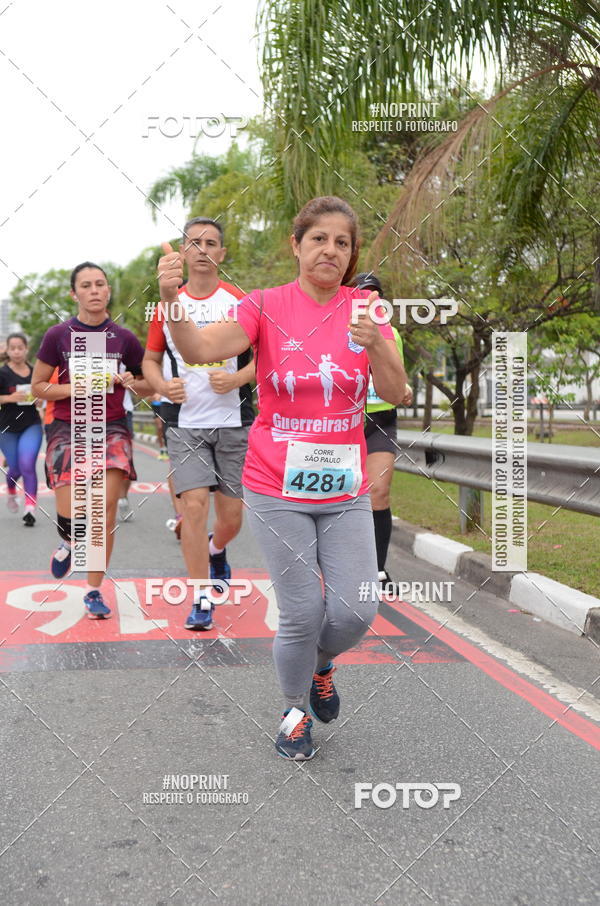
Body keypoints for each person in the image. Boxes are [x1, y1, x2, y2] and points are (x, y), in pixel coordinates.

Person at [157, 196, 407, 759]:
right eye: (319, 239)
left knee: (356, 608)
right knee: (302, 611)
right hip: (275, 482)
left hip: (344, 487)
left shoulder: (366, 309)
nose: (331, 251)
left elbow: (396, 393)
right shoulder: (264, 305)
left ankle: (321, 665)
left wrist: (378, 350)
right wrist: (171, 300)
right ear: (296, 246)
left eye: (342, 243)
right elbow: (198, 350)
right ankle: (295, 710)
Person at [143, 217, 255, 631]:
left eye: (211, 243)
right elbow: (150, 360)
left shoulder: (241, 301)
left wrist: (239, 377)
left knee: (231, 519)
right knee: (192, 508)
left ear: (222, 254)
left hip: (234, 422)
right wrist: (160, 385)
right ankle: (201, 596)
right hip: (185, 423)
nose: (203, 249)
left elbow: (268, 356)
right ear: (184, 252)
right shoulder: (169, 304)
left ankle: (217, 548)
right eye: (195, 242)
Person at [32, 262, 152, 617]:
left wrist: (131, 380)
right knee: (75, 518)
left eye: (100, 284)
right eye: (86, 285)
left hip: (111, 426)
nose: (95, 290)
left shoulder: (125, 338)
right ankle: (68, 541)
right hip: (67, 428)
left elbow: (148, 381)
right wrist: (75, 387)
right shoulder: (58, 335)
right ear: (75, 294)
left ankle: (93, 590)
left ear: (108, 291)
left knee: (105, 509)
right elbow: (39, 387)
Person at [351, 273, 413, 589]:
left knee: (378, 492)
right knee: (343, 497)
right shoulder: (338, 333)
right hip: (341, 425)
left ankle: (376, 569)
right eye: (364, 295)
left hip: (380, 421)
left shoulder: (392, 335)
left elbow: (397, 375)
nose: (371, 302)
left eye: (377, 296)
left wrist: (405, 388)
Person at [0, 333, 43, 526]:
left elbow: (44, 393)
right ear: (7, 351)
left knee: (27, 465)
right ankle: (10, 491)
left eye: (20, 347)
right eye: (13, 348)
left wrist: (41, 399)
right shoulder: (2, 373)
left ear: (26, 349)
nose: (17, 351)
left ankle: (30, 508)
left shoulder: (36, 372)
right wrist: (9, 398)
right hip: (7, 427)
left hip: (31, 424)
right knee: (15, 467)